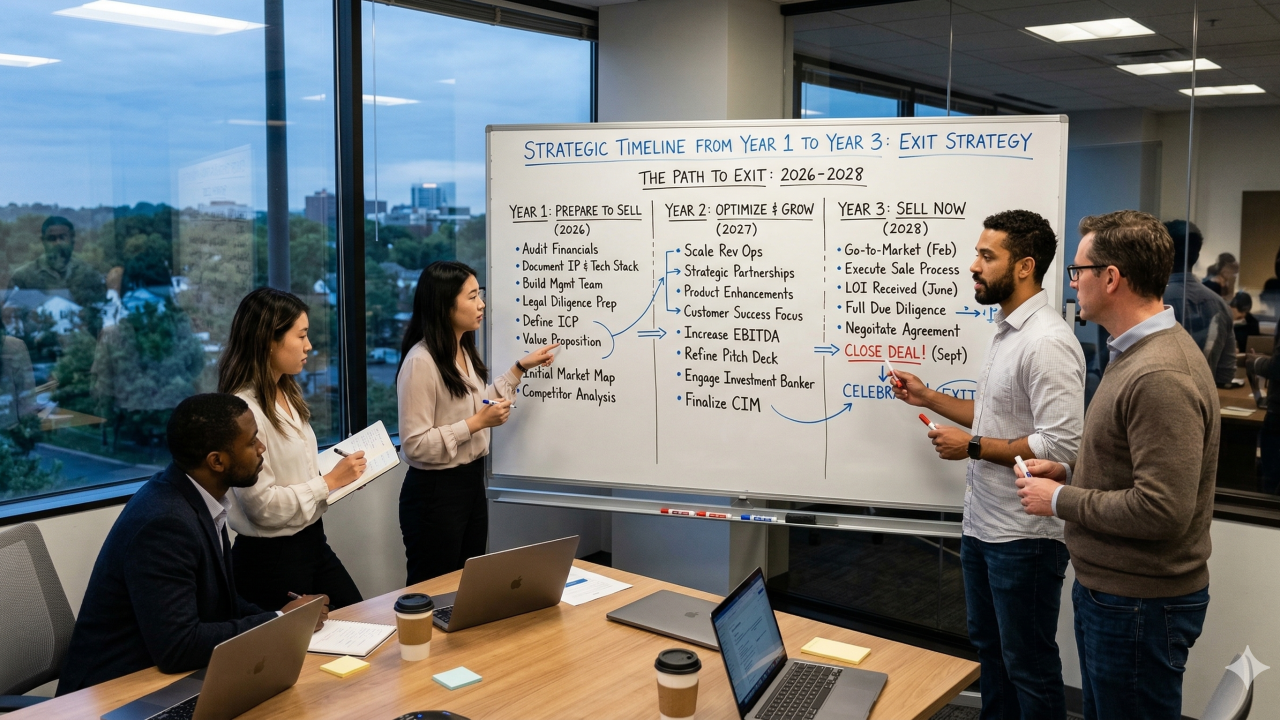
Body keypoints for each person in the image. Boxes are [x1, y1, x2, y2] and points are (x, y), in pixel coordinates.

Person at [1017, 210, 1218, 720]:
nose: (1074, 283)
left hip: (1138, 604)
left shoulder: (1159, 374)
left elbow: (1162, 510)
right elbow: (1130, 471)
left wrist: (1061, 500)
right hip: (1122, 596)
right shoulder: (1134, 354)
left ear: (1111, 278)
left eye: (1078, 270)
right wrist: (1071, 475)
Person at [891, 210, 1083, 720]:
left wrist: (971, 448)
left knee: (1029, 664)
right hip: (984, 525)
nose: (973, 265)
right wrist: (928, 396)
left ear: (1024, 266)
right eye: (977, 253)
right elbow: (993, 416)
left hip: (1025, 537)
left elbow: (1058, 446)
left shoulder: (1047, 342)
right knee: (992, 655)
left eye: (985, 256)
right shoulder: (1006, 332)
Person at [57, 394, 327, 695]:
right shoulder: (164, 524)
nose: (261, 448)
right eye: (252, 442)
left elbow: (221, 603)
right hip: (110, 693)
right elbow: (179, 647)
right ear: (217, 461)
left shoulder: (198, 499)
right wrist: (280, 621)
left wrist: (283, 618)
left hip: (157, 678)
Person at [397, 261, 558, 584]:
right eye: (472, 297)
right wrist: (475, 424)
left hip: (469, 482)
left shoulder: (461, 349)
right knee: (434, 587)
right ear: (445, 305)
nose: (481, 304)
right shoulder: (420, 362)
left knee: (466, 583)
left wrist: (519, 369)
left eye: (479, 294)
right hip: (435, 492)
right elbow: (414, 445)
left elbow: (476, 402)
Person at [218, 288, 367, 610]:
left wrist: (332, 477)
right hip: (270, 560)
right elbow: (263, 507)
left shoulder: (286, 392)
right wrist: (329, 482)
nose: (309, 346)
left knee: (361, 618)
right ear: (269, 340)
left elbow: (296, 473)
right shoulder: (244, 411)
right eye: (300, 336)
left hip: (312, 541)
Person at [1163, 220, 1236, 387]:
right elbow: (1225, 374)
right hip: (1204, 404)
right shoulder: (1221, 305)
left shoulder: (1149, 299)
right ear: (1196, 255)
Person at [7, 216, 105, 309]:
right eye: (52, 239)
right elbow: (10, 311)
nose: (58, 243)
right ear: (43, 241)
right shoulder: (23, 276)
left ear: (72, 240)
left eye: (62, 237)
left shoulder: (89, 273)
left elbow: (104, 308)